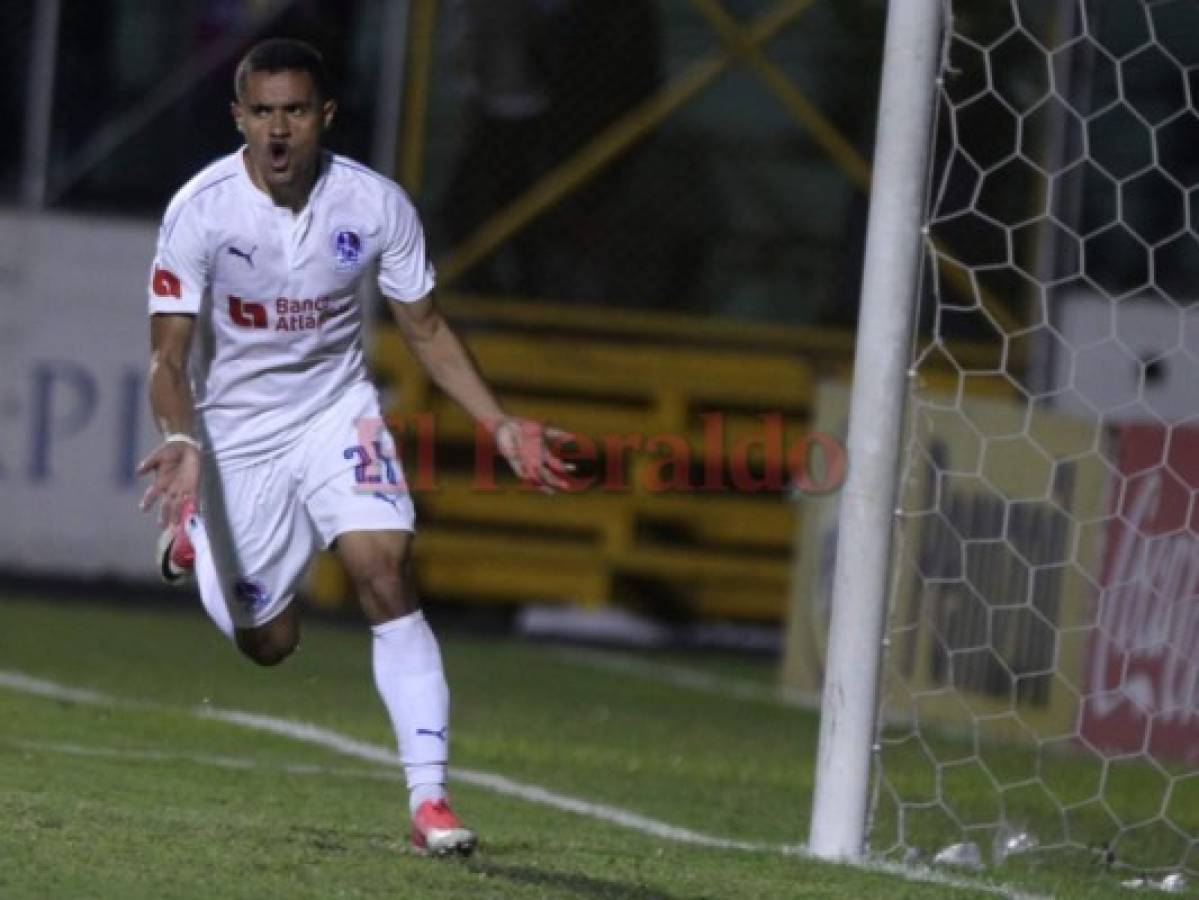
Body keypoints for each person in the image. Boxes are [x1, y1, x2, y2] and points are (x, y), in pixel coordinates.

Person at [135, 38, 571, 857]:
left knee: (384, 565)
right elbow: (167, 356)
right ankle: (195, 526)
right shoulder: (201, 209)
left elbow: (428, 328)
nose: (276, 131)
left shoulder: (374, 206)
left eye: (294, 111)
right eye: (261, 112)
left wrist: (500, 424)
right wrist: (185, 439)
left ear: (324, 116)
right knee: (271, 644)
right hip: (234, 436)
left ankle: (429, 798)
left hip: (338, 413)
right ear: (238, 116)